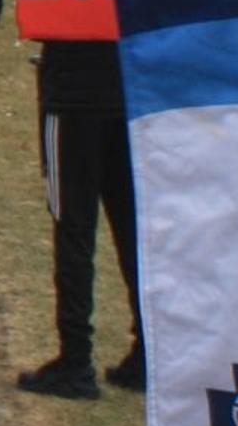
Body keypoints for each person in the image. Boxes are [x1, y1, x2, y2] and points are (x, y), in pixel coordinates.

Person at [22, 40, 149, 400]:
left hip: (73, 93)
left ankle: (76, 360)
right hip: (129, 89)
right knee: (134, 233)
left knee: (73, 232)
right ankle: (146, 353)